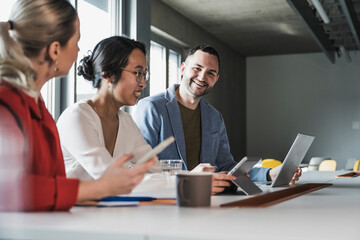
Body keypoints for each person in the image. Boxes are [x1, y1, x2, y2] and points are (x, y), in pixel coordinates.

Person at [0, 0, 155, 211]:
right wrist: (98, 188)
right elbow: (8, 188)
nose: (79, 49)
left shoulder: (37, 108)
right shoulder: (7, 103)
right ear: (55, 50)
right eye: (76, 41)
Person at [134, 45, 301, 194]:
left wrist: (269, 173)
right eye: (197, 68)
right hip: (166, 203)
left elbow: (226, 166)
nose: (202, 77)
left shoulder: (214, 117)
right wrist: (189, 178)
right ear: (183, 68)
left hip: (210, 202)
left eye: (210, 73)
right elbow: (139, 169)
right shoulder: (151, 107)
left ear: (216, 79)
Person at [57, 36, 161, 181]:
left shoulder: (126, 122)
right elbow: (109, 177)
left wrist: (193, 174)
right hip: (74, 203)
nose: (143, 83)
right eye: (137, 73)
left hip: (110, 203)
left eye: (144, 74)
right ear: (108, 75)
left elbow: (155, 170)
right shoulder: (78, 116)